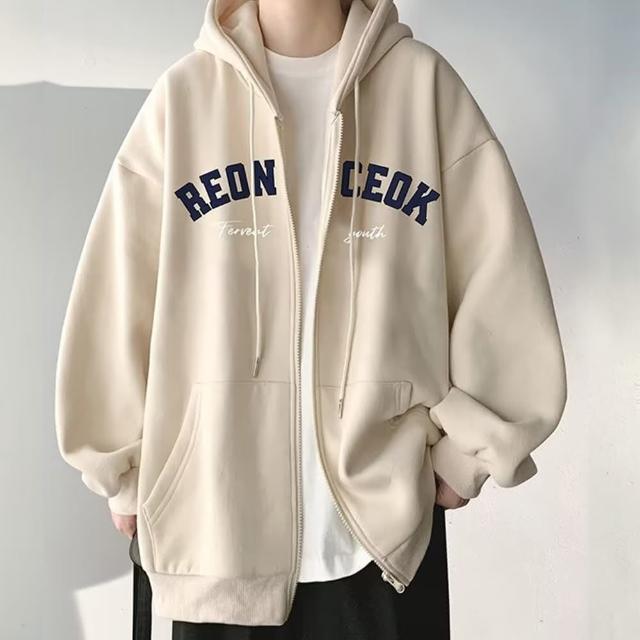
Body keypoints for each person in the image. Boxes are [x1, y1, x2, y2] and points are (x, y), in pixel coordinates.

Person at [54, 0, 568, 637]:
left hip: (379, 545)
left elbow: (501, 284)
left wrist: (468, 454)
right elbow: (116, 297)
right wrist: (121, 469)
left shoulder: (424, 90)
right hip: (215, 538)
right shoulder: (184, 100)